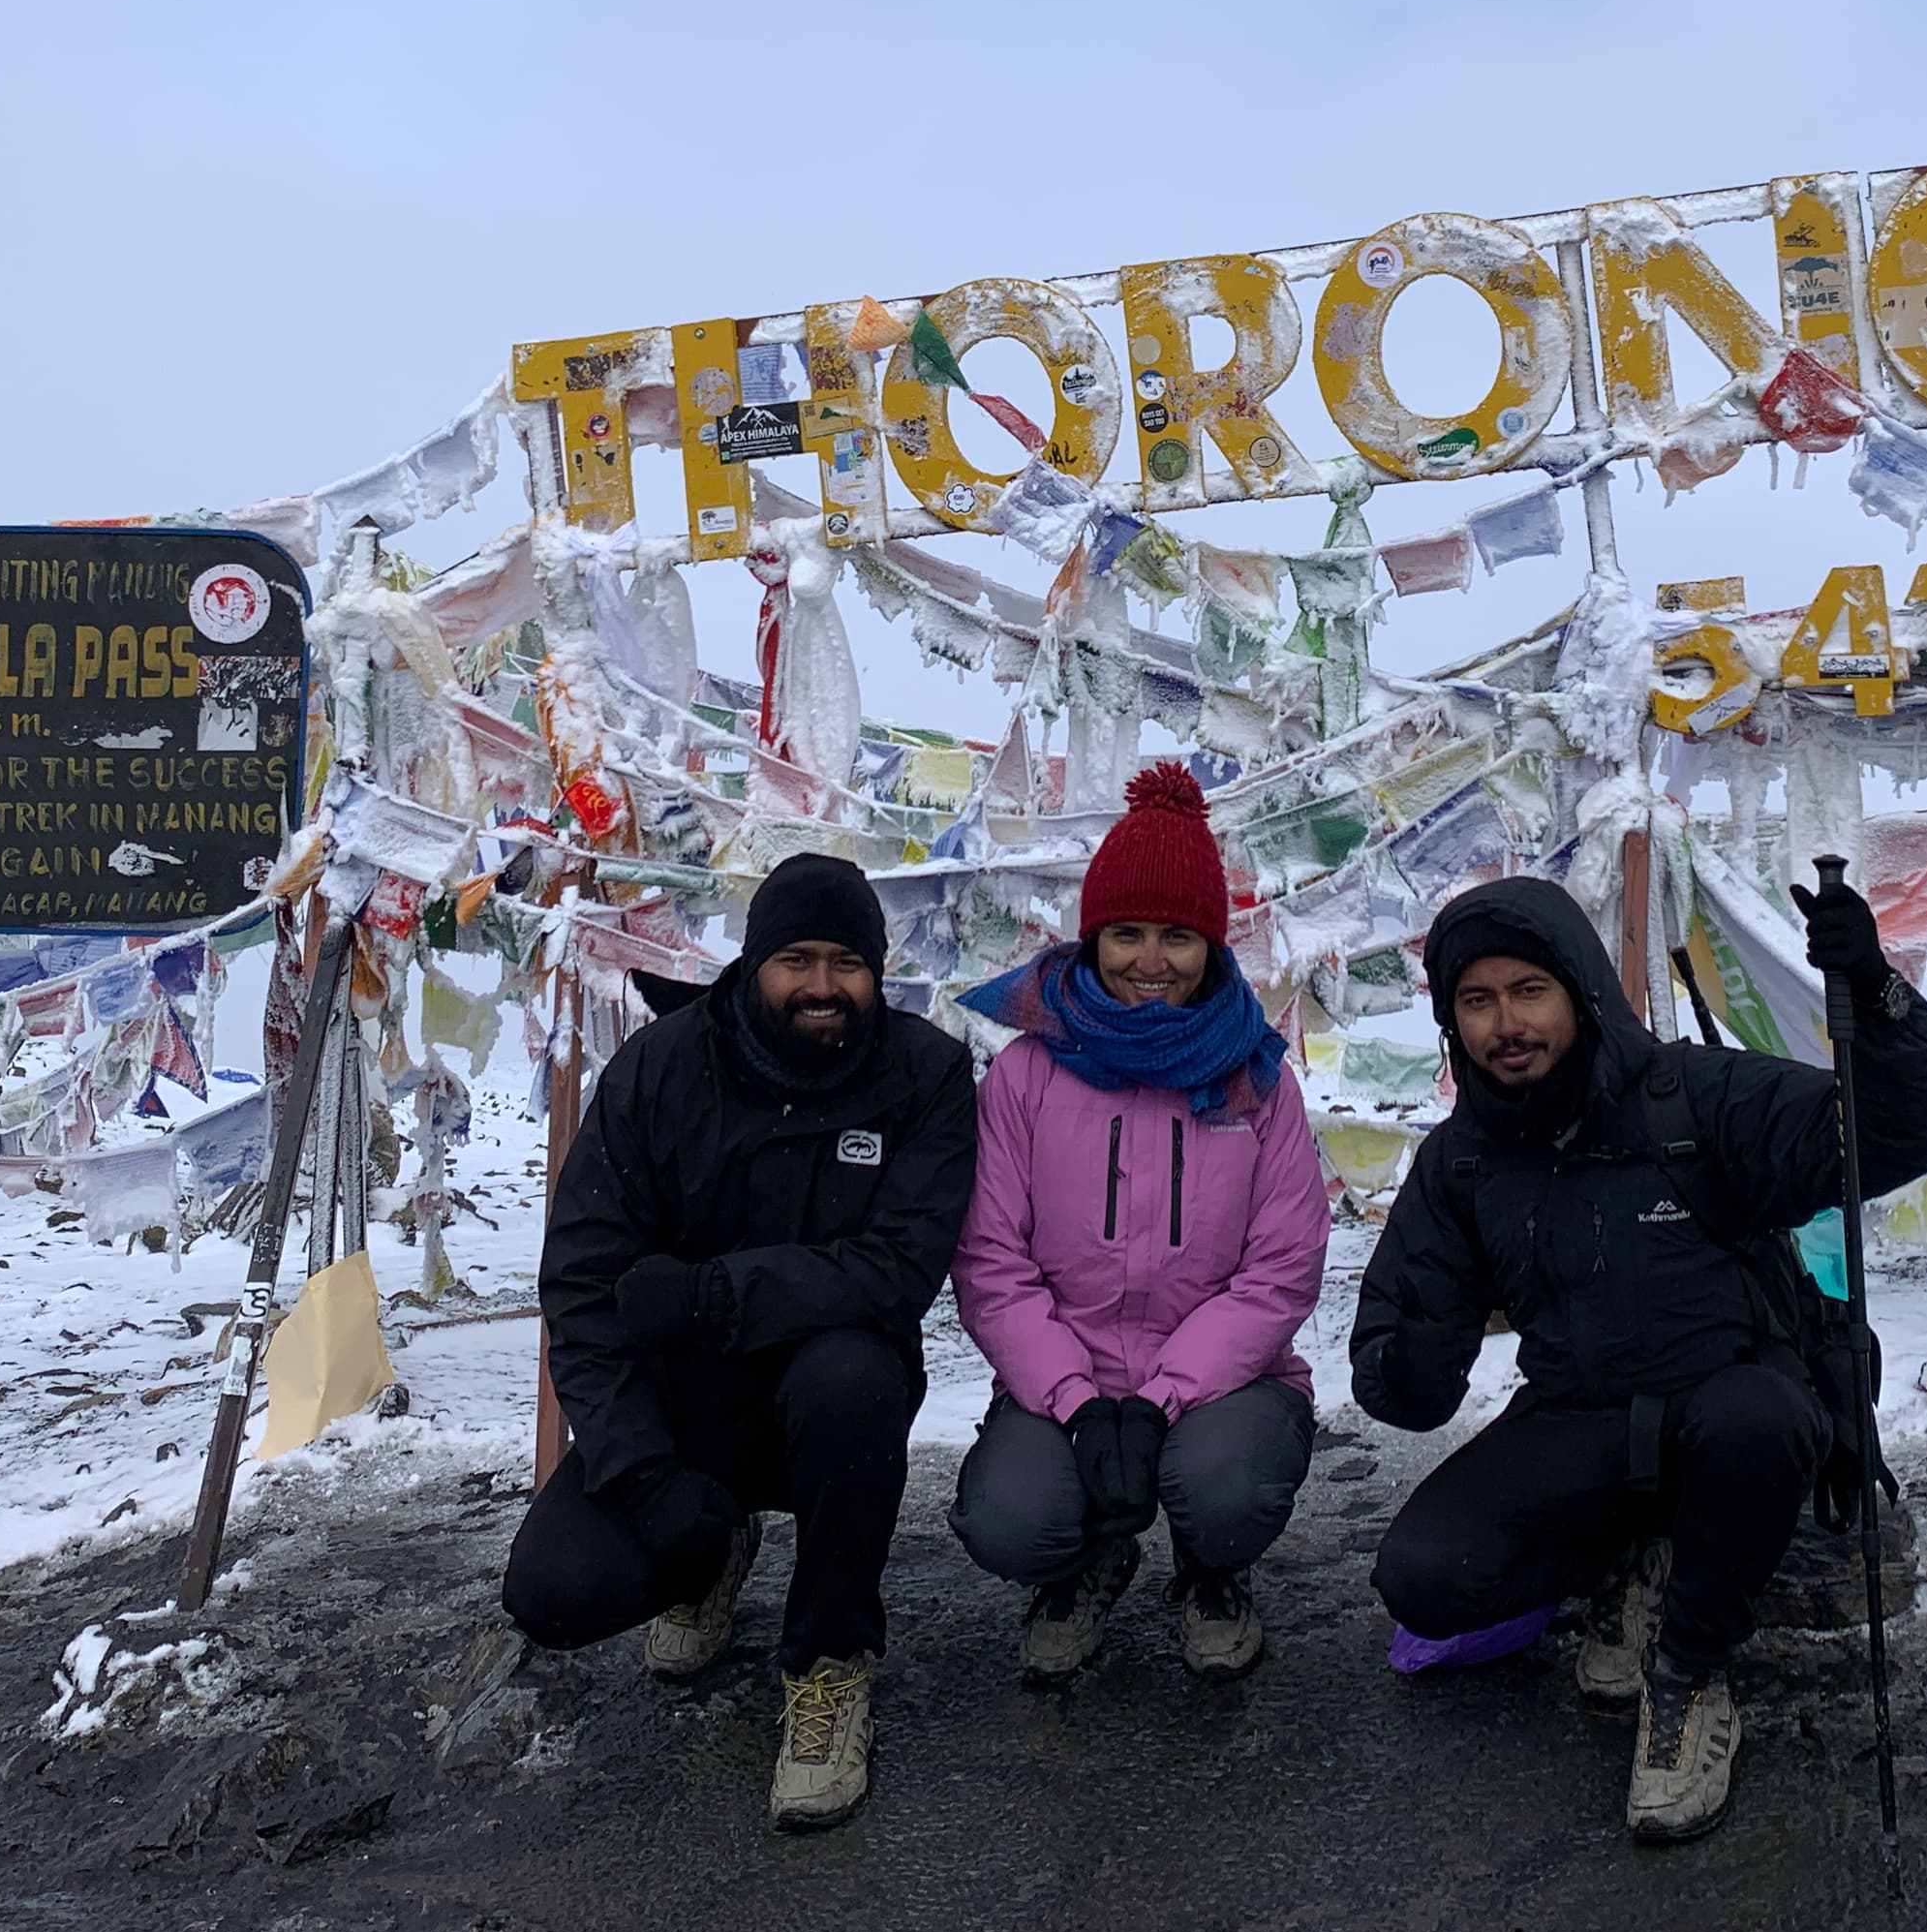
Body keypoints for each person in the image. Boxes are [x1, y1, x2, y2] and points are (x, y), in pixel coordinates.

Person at [1351, 872, 1927, 1843]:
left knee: (1759, 1423)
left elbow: (1898, 1136)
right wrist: (1413, 1355)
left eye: (1528, 991)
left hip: (1729, 1403)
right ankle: (1633, 1565)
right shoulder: (1459, 1162)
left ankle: (1690, 1671)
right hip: (1583, 1418)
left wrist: (1879, 999)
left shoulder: (1694, 1097)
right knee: (1423, 1577)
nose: (1506, 1022)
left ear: (1581, 993)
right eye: (1477, 1000)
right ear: (1450, 1021)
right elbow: (1398, 1374)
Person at [501, 850, 979, 1832]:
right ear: (753, 962)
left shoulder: (924, 1075)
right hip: (683, 1409)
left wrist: (711, 1292)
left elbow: (896, 1268)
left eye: (846, 963)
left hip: (836, 1396)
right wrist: (642, 1476)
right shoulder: (659, 1071)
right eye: (795, 958)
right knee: (555, 1594)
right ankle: (712, 1545)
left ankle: (829, 1665)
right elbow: (585, 1293)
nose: (821, 985)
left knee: (853, 1376)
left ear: (878, 972)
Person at [949, 763, 1331, 1679]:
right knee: (1009, 1521)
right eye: (1125, 934)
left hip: (1224, 1386)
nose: (1150, 962)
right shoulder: (1025, 1076)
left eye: (1177, 937)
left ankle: (1212, 1567)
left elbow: (1279, 1271)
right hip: (1064, 1384)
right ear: (1090, 938)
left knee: (1222, 1487)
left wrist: (1162, 1401)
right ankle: (1089, 1559)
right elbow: (992, 1265)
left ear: (1213, 946)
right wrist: (1079, 1406)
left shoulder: (1258, 1082)